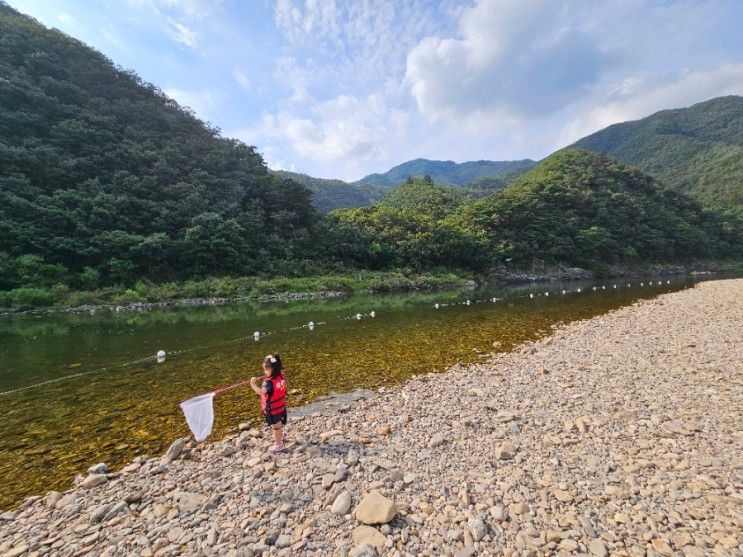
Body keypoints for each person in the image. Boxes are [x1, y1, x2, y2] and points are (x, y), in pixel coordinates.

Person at [250, 353, 287, 453]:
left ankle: (279, 444)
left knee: (276, 426)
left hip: (273, 409)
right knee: (278, 423)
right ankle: (280, 436)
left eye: (266, 370)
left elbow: (261, 392)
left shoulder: (268, 383)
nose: (264, 372)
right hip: (281, 406)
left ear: (272, 369)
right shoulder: (281, 375)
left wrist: (253, 384)